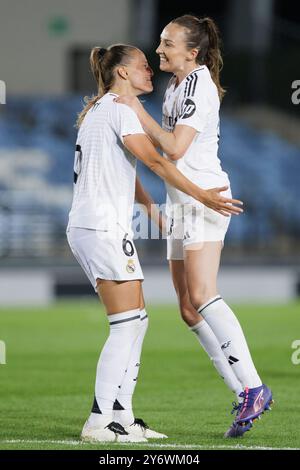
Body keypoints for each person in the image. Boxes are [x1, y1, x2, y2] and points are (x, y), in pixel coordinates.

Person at [66, 43, 243, 443]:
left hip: (98, 227)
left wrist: (151, 211)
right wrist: (205, 195)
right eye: (144, 66)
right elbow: (158, 160)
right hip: (101, 228)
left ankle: (124, 418)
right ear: (123, 73)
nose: (151, 71)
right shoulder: (118, 108)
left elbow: (129, 173)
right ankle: (99, 421)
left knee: (136, 322)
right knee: (126, 325)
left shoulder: (102, 110)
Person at [116, 15, 273, 438]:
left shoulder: (198, 86)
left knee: (203, 295)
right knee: (188, 308)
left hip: (206, 199)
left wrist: (134, 109)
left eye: (168, 43)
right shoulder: (175, 85)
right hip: (183, 202)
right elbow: (163, 152)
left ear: (192, 51)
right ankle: (242, 392)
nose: (159, 48)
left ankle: (254, 385)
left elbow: (175, 148)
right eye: (162, 40)